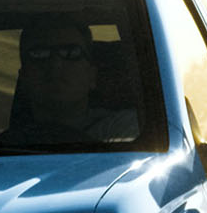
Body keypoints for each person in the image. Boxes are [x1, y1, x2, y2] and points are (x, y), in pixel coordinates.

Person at [9, 15, 139, 142]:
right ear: (23, 78)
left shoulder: (126, 129)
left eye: (71, 53)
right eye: (39, 54)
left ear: (91, 76)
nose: (55, 65)